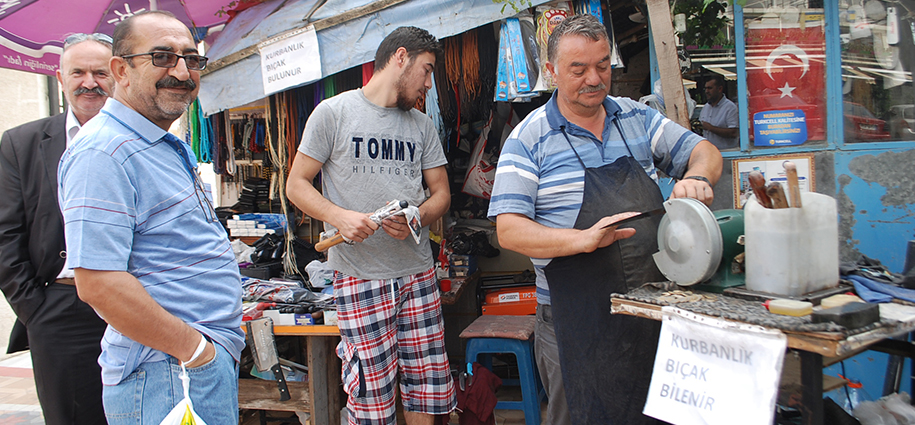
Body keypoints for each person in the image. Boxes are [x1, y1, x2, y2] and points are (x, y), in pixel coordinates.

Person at [488, 14, 722, 425]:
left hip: (651, 310)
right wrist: (580, 241)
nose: (593, 79)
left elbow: (704, 151)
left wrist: (698, 176)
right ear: (552, 71)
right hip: (571, 320)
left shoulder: (638, 119)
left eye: (601, 66)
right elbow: (509, 230)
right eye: (578, 69)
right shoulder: (528, 140)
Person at [57, 11, 244, 424]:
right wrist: (197, 352)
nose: (181, 71)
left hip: (186, 366)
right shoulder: (103, 152)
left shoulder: (155, 141)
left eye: (191, 60)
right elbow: (98, 283)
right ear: (121, 70)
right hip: (168, 370)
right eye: (162, 57)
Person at [286, 26, 455, 425]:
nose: (429, 84)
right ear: (400, 57)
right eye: (427, 70)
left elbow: (442, 196)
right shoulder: (333, 112)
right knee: (371, 397)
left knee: (424, 389)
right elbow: (295, 184)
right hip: (360, 277)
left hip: (417, 275)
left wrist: (417, 216)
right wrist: (338, 216)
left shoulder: (422, 126)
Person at [0, 32, 113, 425]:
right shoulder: (22, 143)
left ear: (117, 74)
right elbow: (6, 232)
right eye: (78, 72)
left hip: (136, 302)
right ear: (61, 77)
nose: (89, 82)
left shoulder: (146, 138)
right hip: (59, 306)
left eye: (100, 72)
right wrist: (33, 307)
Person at [700, 75, 739, 149]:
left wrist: (711, 128)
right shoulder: (705, 107)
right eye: (705, 88)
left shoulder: (730, 107)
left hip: (726, 153)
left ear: (720, 89)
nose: (706, 91)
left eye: (710, 88)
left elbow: (734, 132)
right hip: (709, 153)